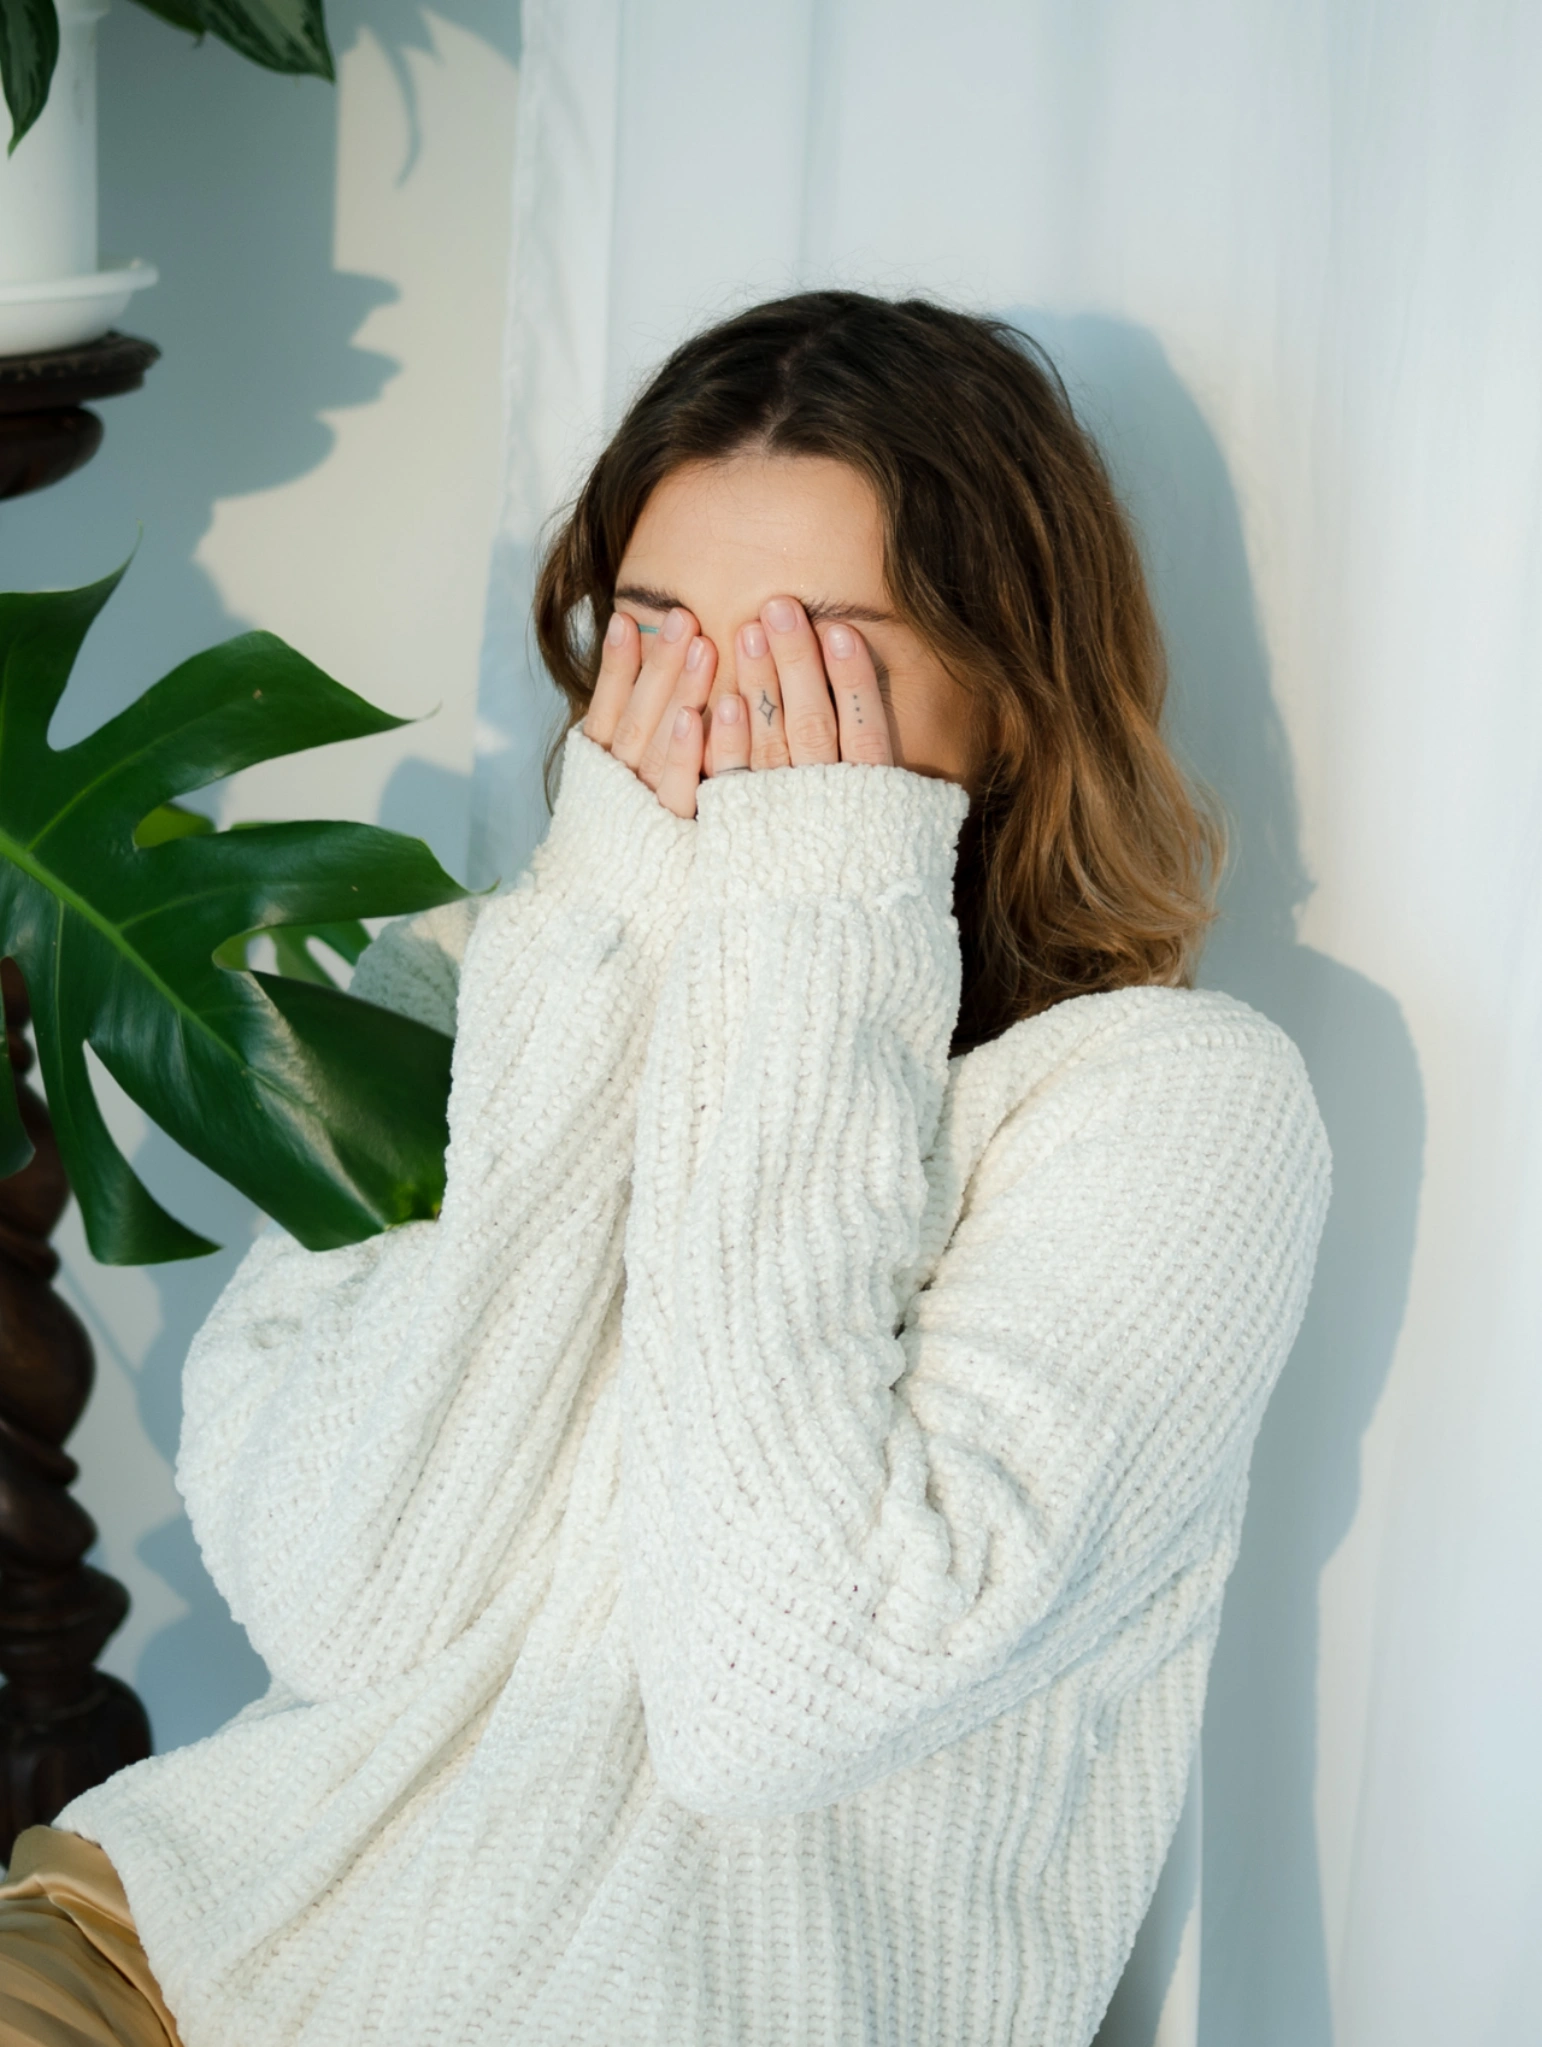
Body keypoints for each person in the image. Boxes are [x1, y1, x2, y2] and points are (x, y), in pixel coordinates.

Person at [0, 291, 1329, 2047]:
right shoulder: (499, 977)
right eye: (659, 636)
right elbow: (344, 1607)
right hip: (173, 1943)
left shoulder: (1167, 1112)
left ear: (1009, 698)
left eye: (815, 651)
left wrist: (811, 916)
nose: (716, 718)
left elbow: (772, 1696)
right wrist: (599, 954)